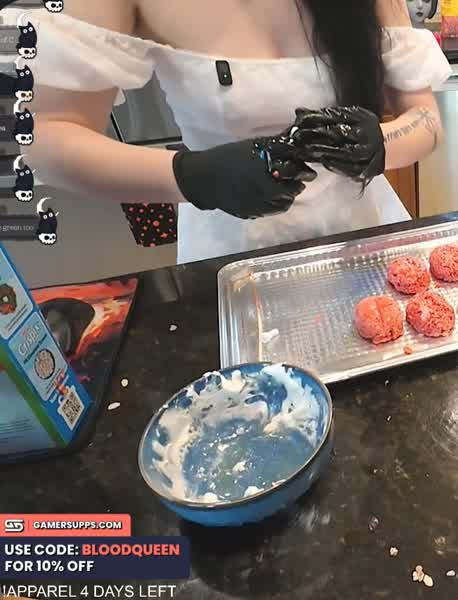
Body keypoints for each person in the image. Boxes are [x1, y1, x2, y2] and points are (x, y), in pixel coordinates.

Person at [4, 0, 451, 263]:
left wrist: (381, 143)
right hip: (232, 254)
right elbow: (44, 138)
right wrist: (193, 175)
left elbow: (425, 117)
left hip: (364, 235)